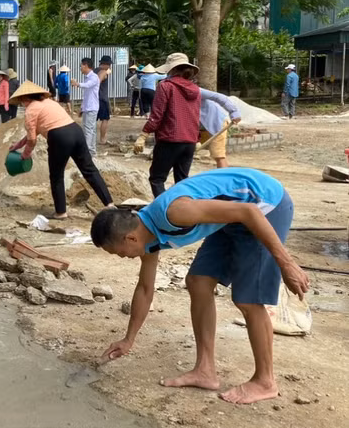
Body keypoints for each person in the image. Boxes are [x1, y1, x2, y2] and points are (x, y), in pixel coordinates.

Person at [91, 168, 309, 405]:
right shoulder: (147, 239)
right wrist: (128, 339)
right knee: (198, 281)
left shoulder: (175, 212)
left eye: (119, 253)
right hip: (233, 217)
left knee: (247, 299)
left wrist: (287, 264)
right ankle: (205, 371)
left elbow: (249, 211)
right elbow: (145, 289)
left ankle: (265, 381)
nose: (122, 257)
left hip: (265, 205)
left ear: (130, 238)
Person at [8, 81, 114, 220]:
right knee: (89, 169)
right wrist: (18, 146)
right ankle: (109, 204)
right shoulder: (50, 102)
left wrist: (25, 155)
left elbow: (32, 139)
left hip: (59, 137)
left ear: (25, 98)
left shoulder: (31, 110)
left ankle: (61, 212)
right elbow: (36, 132)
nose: (22, 104)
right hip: (75, 131)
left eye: (21, 101)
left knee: (57, 175)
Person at [134, 53, 202, 197]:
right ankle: (184, 213)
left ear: (171, 69)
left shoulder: (166, 86)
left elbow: (157, 115)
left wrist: (143, 134)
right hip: (189, 140)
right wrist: (197, 138)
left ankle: (163, 211)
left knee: (157, 179)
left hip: (170, 140)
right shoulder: (195, 89)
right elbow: (195, 115)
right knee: (182, 181)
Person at [198, 88, 241, 169]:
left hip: (216, 124)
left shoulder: (193, 90)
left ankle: (224, 180)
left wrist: (234, 112)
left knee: (218, 155)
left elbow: (219, 97)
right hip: (199, 127)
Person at [73, 58, 100, 155]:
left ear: (85, 65)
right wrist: (82, 108)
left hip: (91, 107)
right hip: (88, 107)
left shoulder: (93, 77)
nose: (80, 68)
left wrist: (77, 84)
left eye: (81, 66)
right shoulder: (88, 77)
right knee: (91, 130)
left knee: (88, 130)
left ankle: (87, 152)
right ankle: (92, 152)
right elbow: (87, 96)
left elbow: (88, 85)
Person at [96, 55, 112, 145]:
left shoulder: (94, 71)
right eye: (109, 65)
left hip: (94, 98)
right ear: (106, 64)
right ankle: (102, 139)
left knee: (92, 119)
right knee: (105, 119)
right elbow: (98, 81)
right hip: (102, 98)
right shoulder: (103, 72)